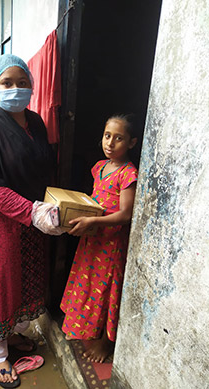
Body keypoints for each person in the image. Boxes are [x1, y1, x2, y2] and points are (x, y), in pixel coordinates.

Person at [0, 54, 62, 388]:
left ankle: (13, 335)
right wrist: (32, 212)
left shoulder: (35, 123)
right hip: (3, 221)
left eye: (23, 82)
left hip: (34, 222)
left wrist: (49, 208)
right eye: (7, 83)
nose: (16, 89)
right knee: (1, 285)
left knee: (27, 280)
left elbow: (46, 166)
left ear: (32, 86)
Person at [60, 115, 138, 363]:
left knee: (107, 289)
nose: (111, 143)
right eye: (107, 136)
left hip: (111, 244)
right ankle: (90, 329)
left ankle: (107, 342)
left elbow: (125, 215)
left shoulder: (128, 174)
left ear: (132, 143)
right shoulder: (100, 167)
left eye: (119, 138)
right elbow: (96, 200)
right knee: (89, 284)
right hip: (92, 240)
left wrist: (93, 221)